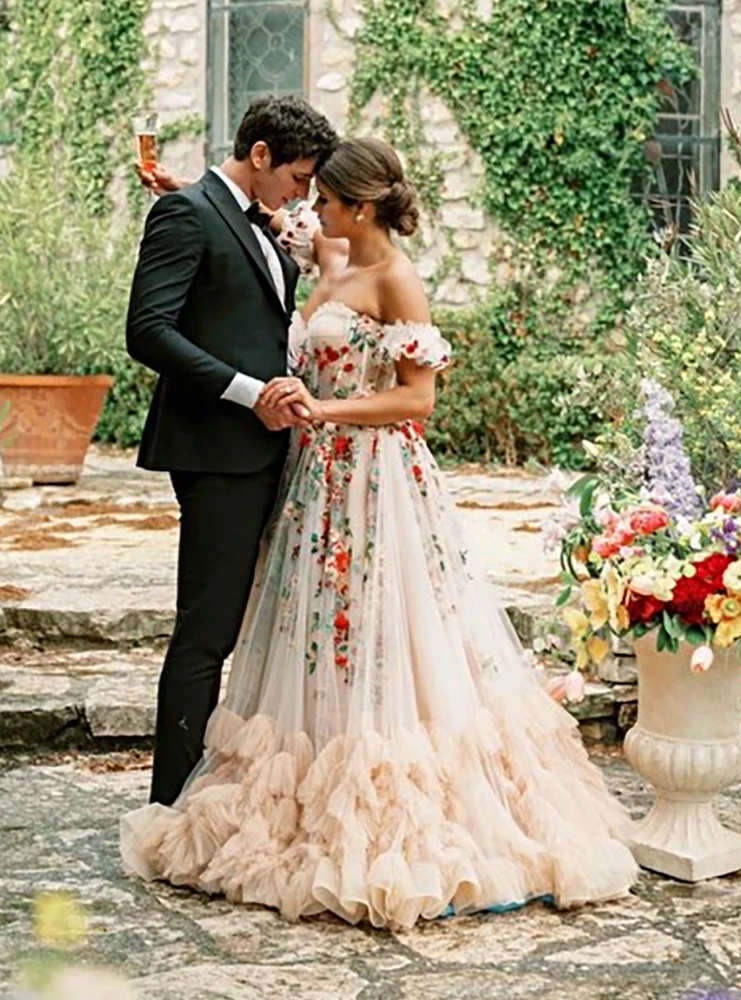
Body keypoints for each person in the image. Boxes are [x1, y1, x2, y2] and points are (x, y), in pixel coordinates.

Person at [122, 136, 638, 931]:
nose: (308, 209)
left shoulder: (397, 279)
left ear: (358, 206)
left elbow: (417, 403)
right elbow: (241, 213)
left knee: (380, 631)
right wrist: (182, 186)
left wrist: (320, 410)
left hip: (373, 479)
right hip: (312, 485)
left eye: (322, 197)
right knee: (316, 634)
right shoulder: (319, 243)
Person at [125, 95, 338, 807]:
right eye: (298, 178)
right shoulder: (185, 212)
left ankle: (210, 787)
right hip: (220, 450)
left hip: (270, 450)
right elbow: (148, 331)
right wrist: (250, 393)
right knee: (205, 634)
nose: (302, 196)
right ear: (259, 156)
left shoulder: (250, 216)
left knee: (241, 631)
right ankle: (168, 807)